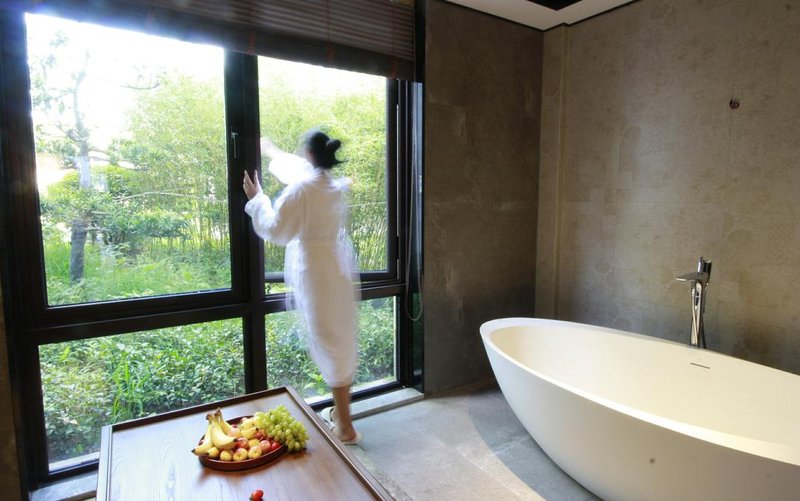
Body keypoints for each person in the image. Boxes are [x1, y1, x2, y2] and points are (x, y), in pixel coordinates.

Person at [242, 128, 362, 445]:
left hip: (315, 273)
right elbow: (298, 170)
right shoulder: (332, 185)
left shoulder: (302, 189)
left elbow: (277, 230)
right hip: (338, 268)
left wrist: (257, 200)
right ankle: (340, 414)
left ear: (308, 154)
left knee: (329, 341)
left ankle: (346, 428)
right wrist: (270, 150)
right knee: (341, 337)